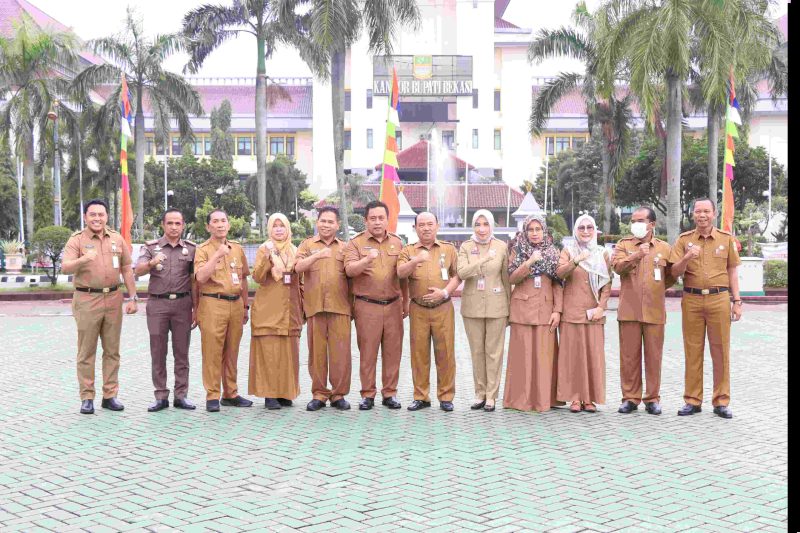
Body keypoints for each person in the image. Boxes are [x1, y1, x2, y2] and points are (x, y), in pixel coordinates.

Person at [62, 199, 138, 414]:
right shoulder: (76, 240)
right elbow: (66, 267)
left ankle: (110, 395)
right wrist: (83, 259)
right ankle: (87, 397)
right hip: (87, 299)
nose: (97, 218)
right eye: (92, 214)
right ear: (85, 217)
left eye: (101, 214)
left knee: (112, 351)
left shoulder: (116, 238)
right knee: (86, 351)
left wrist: (133, 297)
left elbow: (126, 268)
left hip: (114, 298)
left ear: (107, 217)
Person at [669, 198, 742, 419]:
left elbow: (732, 271)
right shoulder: (684, 240)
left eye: (706, 211)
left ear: (714, 213)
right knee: (693, 351)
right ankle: (692, 400)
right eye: (698, 211)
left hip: (719, 299)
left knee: (721, 351)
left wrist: (737, 301)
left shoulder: (726, 239)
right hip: (691, 299)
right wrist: (687, 257)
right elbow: (674, 272)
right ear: (693, 214)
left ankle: (721, 401)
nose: (702, 215)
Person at [344, 200, 408, 411]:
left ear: (387, 219)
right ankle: (367, 393)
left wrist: (405, 302)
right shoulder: (356, 243)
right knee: (368, 352)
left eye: (381, 218)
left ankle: (390, 393)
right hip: (366, 305)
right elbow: (350, 270)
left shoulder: (398, 243)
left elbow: (404, 277)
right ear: (366, 220)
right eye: (373, 218)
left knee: (393, 351)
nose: (377, 222)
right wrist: (366, 261)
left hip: (392, 305)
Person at [612, 206, 675, 415]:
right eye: (633, 220)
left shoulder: (664, 248)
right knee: (629, 357)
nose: (636, 224)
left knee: (654, 356)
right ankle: (630, 398)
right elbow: (618, 267)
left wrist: (655, 289)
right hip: (629, 310)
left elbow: (671, 277)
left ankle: (652, 398)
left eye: (640, 220)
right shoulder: (624, 245)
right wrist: (637, 255)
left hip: (654, 311)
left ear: (652, 224)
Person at [135, 208, 197, 412]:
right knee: (158, 352)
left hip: (182, 305)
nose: (173, 227)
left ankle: (181, 395)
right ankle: (160, 395)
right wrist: (153, 262)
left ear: (183, 225)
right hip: (158, 305)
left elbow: (195, 280)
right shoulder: (151, 247)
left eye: (178, 223)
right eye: (169, 223)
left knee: (182, 352)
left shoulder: (191, 249)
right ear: (163, 225)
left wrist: (196, 308)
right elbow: (138, 270)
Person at [398, 212, 461, 412]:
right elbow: (400, 273)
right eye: (422, 225)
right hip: (418, 308)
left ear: (437, 226)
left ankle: (446, 396)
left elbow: (457, 275)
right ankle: (421, 396)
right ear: (415, 228)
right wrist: (416, 260)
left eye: (430, 224)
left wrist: (444, 292)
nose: (426, 228)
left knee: (445, 353)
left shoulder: (449, 249)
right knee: (419, 355)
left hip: (443, 307)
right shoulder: (408, 251)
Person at [194, 209, 253, 412]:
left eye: (223, 221)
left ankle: (231, 393)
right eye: (215, 221)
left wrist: (245, 306)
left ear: (228, 225)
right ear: (208, 226)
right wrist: (218, 254)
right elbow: (200, 278)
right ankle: (212, 395)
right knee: (212, 352)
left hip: (236, 304)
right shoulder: (202, 250)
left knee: (232, 351)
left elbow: (244, 278)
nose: (220, 225)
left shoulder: (237, 249)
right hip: (212, 303)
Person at [294, 206, 352, 411]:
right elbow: (297, 267)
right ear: (317, 222)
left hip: (340, 306)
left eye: (330, 222)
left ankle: (338, 394)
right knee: (316, 353)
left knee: (341, 353)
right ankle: (319, 393)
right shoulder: (307, 245)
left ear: (337, 225)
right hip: (315, 307)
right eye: (323, 221)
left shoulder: (346, 247)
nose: (326, 225)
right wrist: (317, 256)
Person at [503, 214, 564, 412]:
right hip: (522, 310)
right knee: (522, 356)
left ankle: (543, 399)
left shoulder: (554, 252)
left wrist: (558, 310)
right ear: (525, 231)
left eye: (538, 229)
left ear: (544, 230)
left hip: (546, 310)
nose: (535, 233)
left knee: (544, 357)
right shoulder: (517, 250)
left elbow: (558, 283)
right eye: (531, 229)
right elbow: (511, 278)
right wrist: (529, 262)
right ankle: (519, 400)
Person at [556, 214, 612, 413]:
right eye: (582, 228)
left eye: (589, 227)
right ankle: (574, 398)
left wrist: (601, 307)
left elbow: (607, 284)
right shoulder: (568, 251)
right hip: (571, 312)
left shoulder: (602, 253)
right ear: (575, 231)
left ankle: (590, 398)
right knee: (572, 357)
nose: (586, 231)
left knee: (592, 356)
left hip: (593, 313)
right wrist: (576, 261)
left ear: (595, 230)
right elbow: (559, 273)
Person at [457, 210, 511, 412]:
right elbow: (462, 272)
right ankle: (479, 393)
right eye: (477, 224)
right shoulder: (466, 246)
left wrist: (510, 309)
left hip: (497, 307)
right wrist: (483, 260)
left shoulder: (501, 246)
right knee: (477, 352)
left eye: (485, 224)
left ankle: (491, 395)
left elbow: (506, 279)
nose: (481, 229)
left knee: (494, 353)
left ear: (491, 226)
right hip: (472, 307)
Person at [248, 213, 302, 409]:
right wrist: (268, 260)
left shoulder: (295, 250)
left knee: (288, 353)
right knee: (268, 353)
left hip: (290, 310)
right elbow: (258, 277)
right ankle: (269, 394)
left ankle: (284, 393)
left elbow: (299, 280)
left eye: (282, 226)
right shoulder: (265, 248)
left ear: (288, 229)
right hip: (268, 310)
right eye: (275, 226)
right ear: (269, 229)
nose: (279, 229)